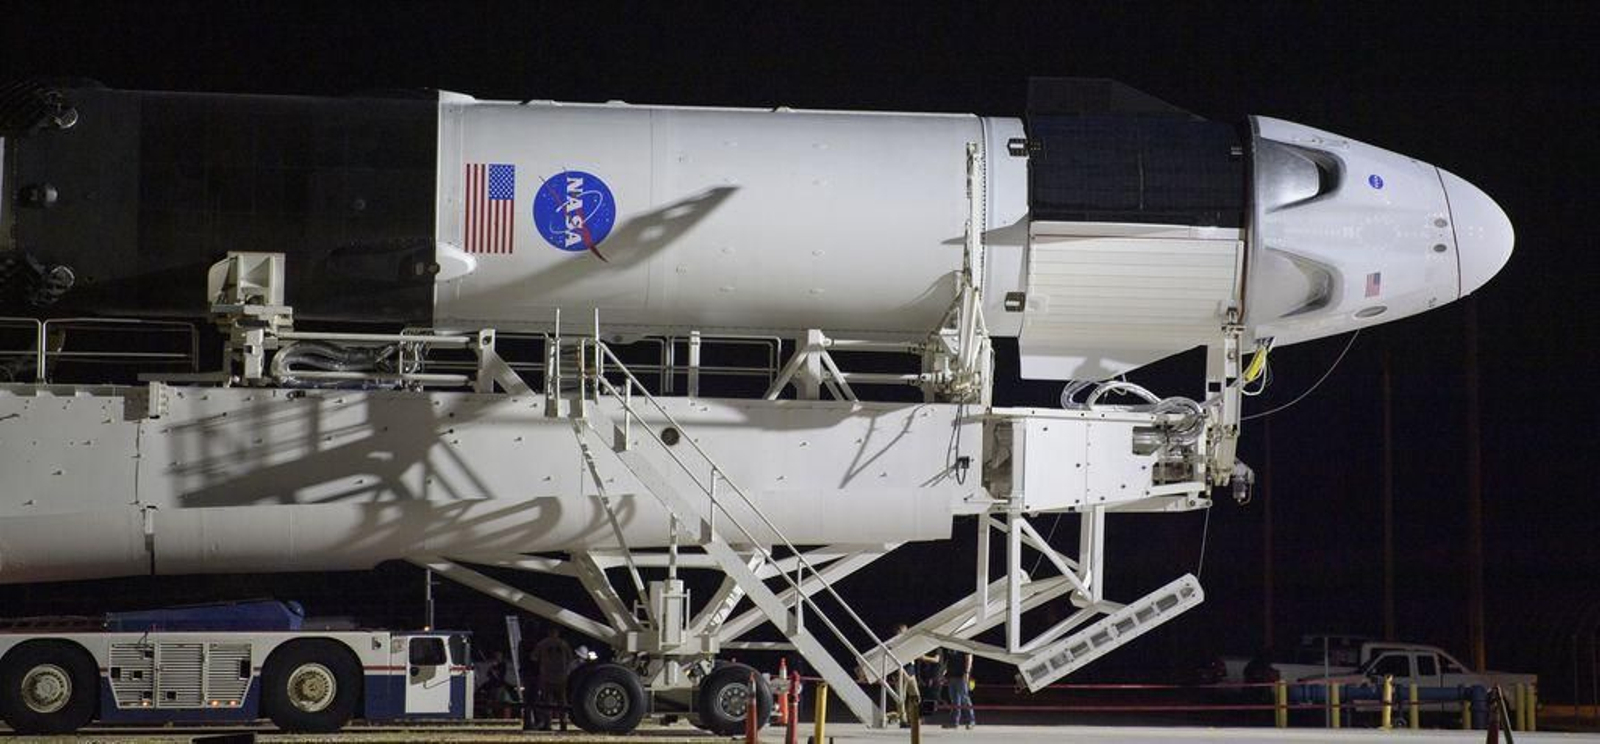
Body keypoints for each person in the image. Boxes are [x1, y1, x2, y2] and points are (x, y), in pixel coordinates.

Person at [533, 626, 574, 730]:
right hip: (561, 677)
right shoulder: (563, 644)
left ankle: (548, 724)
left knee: (547, 702)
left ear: (548, 632)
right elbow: (570, 658)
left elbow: (533, 657)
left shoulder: (542, 644)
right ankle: (563, 723)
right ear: (557, 633)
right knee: (562, 702)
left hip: (547, 677)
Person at [943, 647, 975, 729]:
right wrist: (944, 673)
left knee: (964, 698)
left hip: (961, 676)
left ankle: (971, 721)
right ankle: (954, 721)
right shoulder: (949, 645)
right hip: (951, 676)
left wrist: (967, 672)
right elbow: (948, 661)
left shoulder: (963, 643)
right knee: (954, 699)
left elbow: (969, 658)